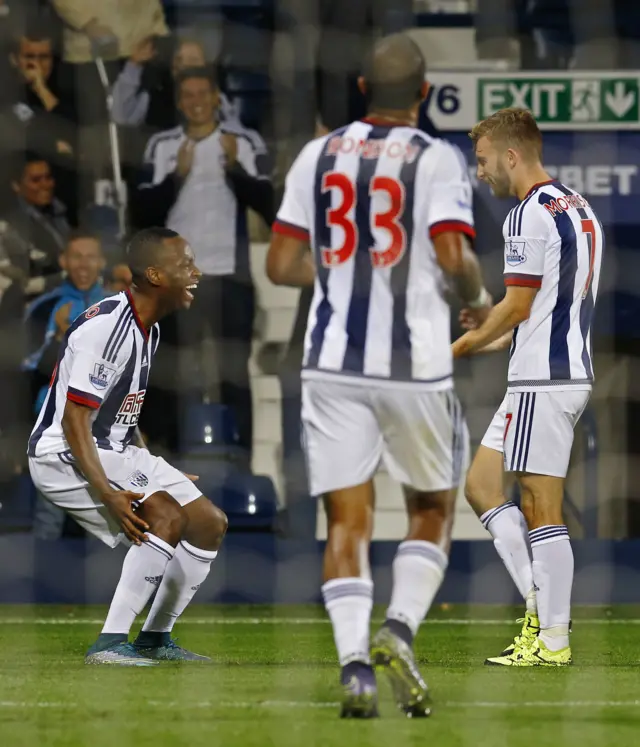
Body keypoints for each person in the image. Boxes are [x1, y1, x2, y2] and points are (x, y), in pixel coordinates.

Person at [267, 33, 490, 718]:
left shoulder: (317, 153)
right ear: (424, 95)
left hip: (330, 362)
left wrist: (342, 274)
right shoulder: (436, 157)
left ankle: (355, 667)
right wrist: (476, 298)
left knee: (347, 520)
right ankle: (398, 629)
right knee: (431, 508)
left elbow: (279, 265)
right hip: (413, 364)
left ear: (362, 89)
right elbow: (453, 254)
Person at [28, 226, 228, 664]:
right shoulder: (110, 329)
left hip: (110, 447)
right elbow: (74, 418)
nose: (196, 272)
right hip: (62, 452)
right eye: (185, 265)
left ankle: (154, 640)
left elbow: (119, 411)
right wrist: (108, 491)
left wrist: (156, 466)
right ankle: (108, 644)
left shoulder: (148, 327)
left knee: (209, 522)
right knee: (165, 516)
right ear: (155, 275)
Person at [454, 107, 603, 666]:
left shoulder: (525, 213)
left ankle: (552, 640)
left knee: (542, 507)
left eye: (484, 159)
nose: (482, 171)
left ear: (510, 155)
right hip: (552, 371)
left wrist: (456, 350)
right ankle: (541, 606)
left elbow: (516, 307)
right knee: (482, 487)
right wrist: (489, 340)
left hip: (543, 380)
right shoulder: (578, 206)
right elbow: (545, 309)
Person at [131, 66, 274, 460]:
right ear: (179, 102)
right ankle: (164, 456)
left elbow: (269, 205)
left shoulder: (242, 141)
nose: (196, 102)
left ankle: (242, 457)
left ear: (216, 99)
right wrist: (176, 177)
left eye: (202, 94)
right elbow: (140, 212)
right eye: (188, 96)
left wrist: (235, 169)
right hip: (176, 281)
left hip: (230, 275)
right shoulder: (162, 145)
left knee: (234, 373)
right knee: (169, 372)